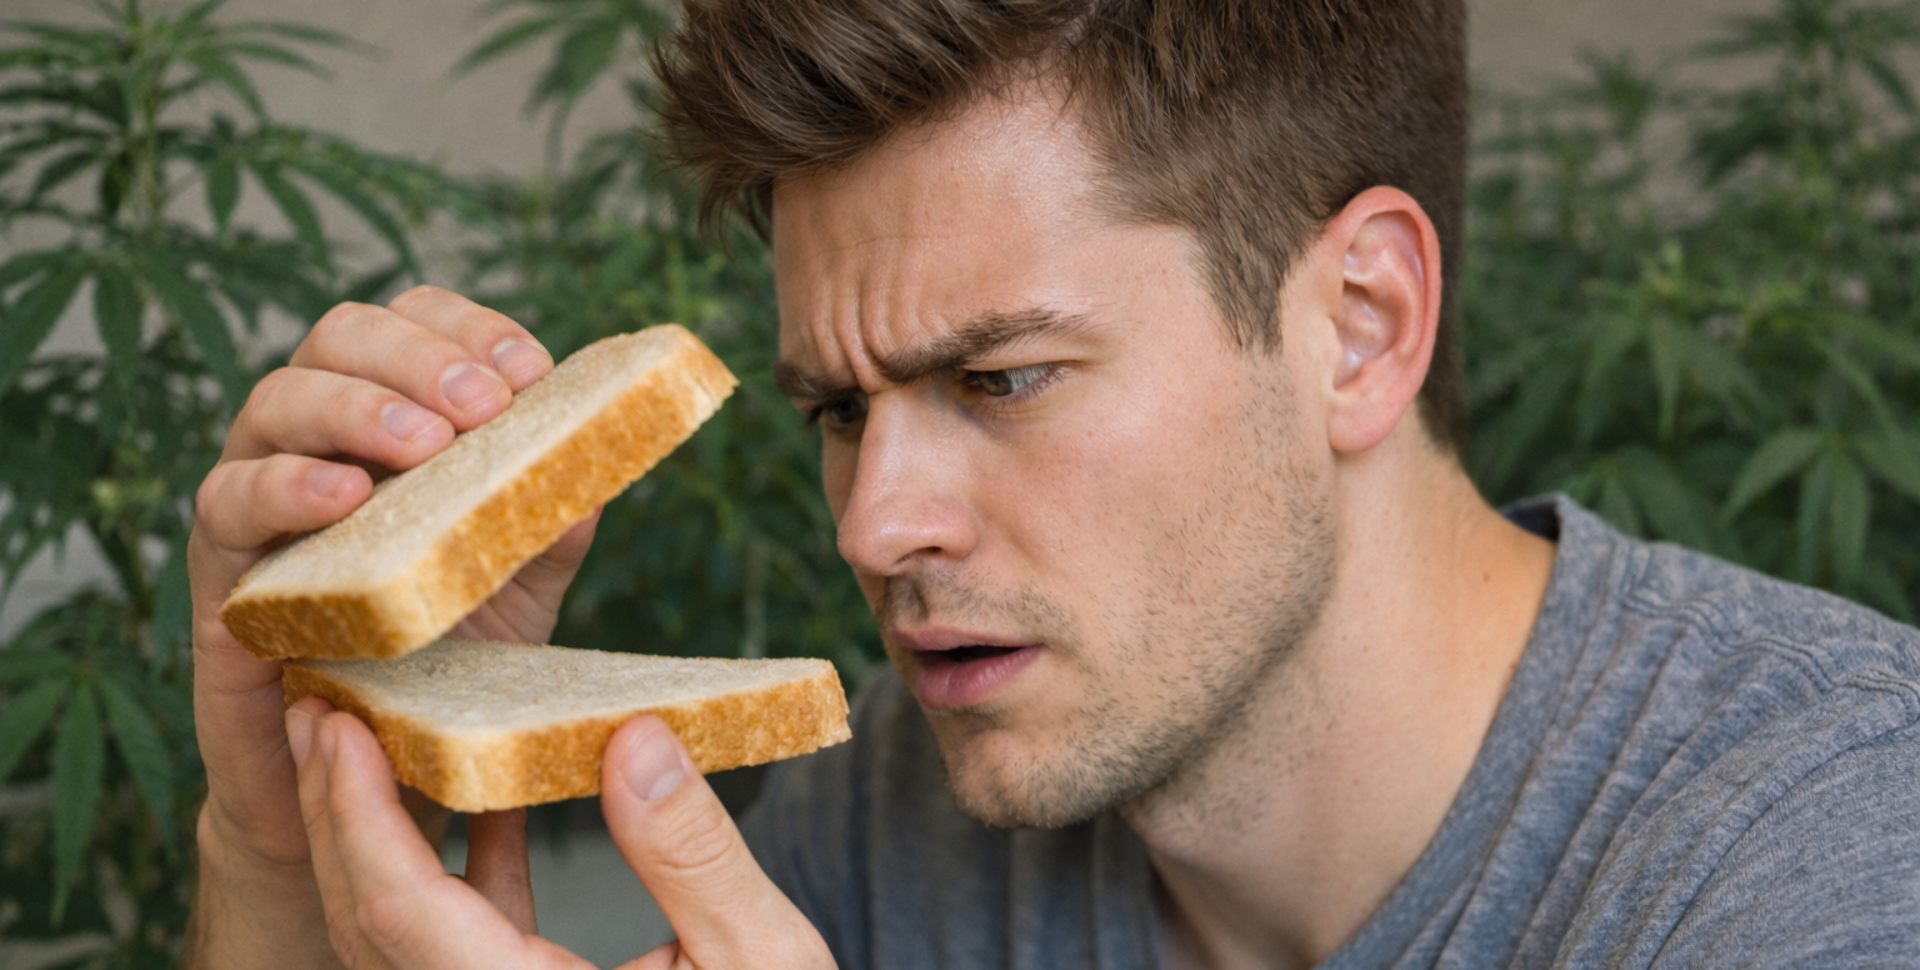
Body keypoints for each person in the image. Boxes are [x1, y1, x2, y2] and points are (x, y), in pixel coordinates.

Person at [183, 1, 1920, 968]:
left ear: (1360, 324)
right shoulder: (897, 829)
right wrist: (274, 836)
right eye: (839, 411)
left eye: (999, 378)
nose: (875, 526)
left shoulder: (1831, 854)